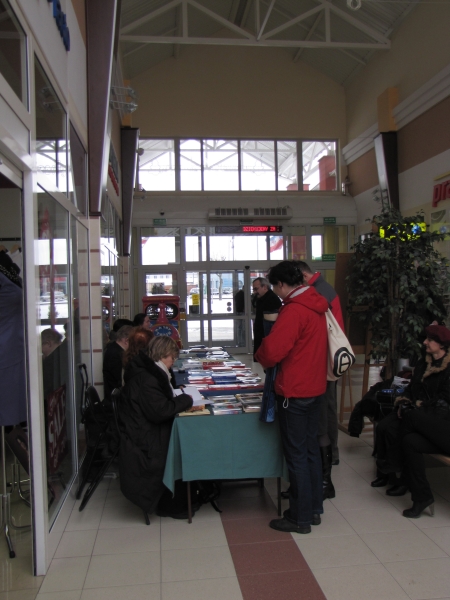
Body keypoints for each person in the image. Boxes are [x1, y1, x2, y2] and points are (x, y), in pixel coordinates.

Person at [255, 260, 329, 534]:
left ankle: (299, 518)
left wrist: (260, 354)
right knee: (310, 452)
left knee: (296, 456)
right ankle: (313, 509)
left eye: (275, 287)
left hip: (294, 391)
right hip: (315, 387)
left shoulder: (294, 310)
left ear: (282, 284)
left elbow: (273, 351)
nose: (276, 292)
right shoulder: (316, 304)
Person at [374, 325, 450, 518]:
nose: (424, 342)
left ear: (442, 345)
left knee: (410, 416)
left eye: (429, 340)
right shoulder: (424, 363)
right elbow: (411, 389)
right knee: (409, 441)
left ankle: (392, 462)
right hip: (431, 424)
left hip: (443, 425)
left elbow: (444, 403)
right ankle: (422, 497)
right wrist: (406, 403)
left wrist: (415, 407)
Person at [117, 335, 193, 518]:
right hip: (147, 437)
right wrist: (186, 399)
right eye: (172, 357)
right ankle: (178, 498)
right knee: (187, 443)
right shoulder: (148, 379)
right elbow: (161, 411)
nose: (173, 362)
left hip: (140, 429)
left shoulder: (147, 371)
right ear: (162, 355)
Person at [298, 261, 344, 472]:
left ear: (303, 275)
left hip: (326, 356)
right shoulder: (322, 288)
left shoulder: (318, 292)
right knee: (328, 405)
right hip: (328, 354)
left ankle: (329, 454)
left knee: (326, 407)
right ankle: (330, 452)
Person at [103, 325, 134, 404]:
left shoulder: (113, 348)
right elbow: (119, 380)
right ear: (126, 341)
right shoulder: (116, 354)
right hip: (116, 400)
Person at [252, 277, 282, 359]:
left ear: (265, 287)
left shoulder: (271, 299)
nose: (255, 292)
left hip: (267, 339)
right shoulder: (261, 299)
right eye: (253, 289)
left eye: (256, 289)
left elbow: (271, 326)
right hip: (261, 336)